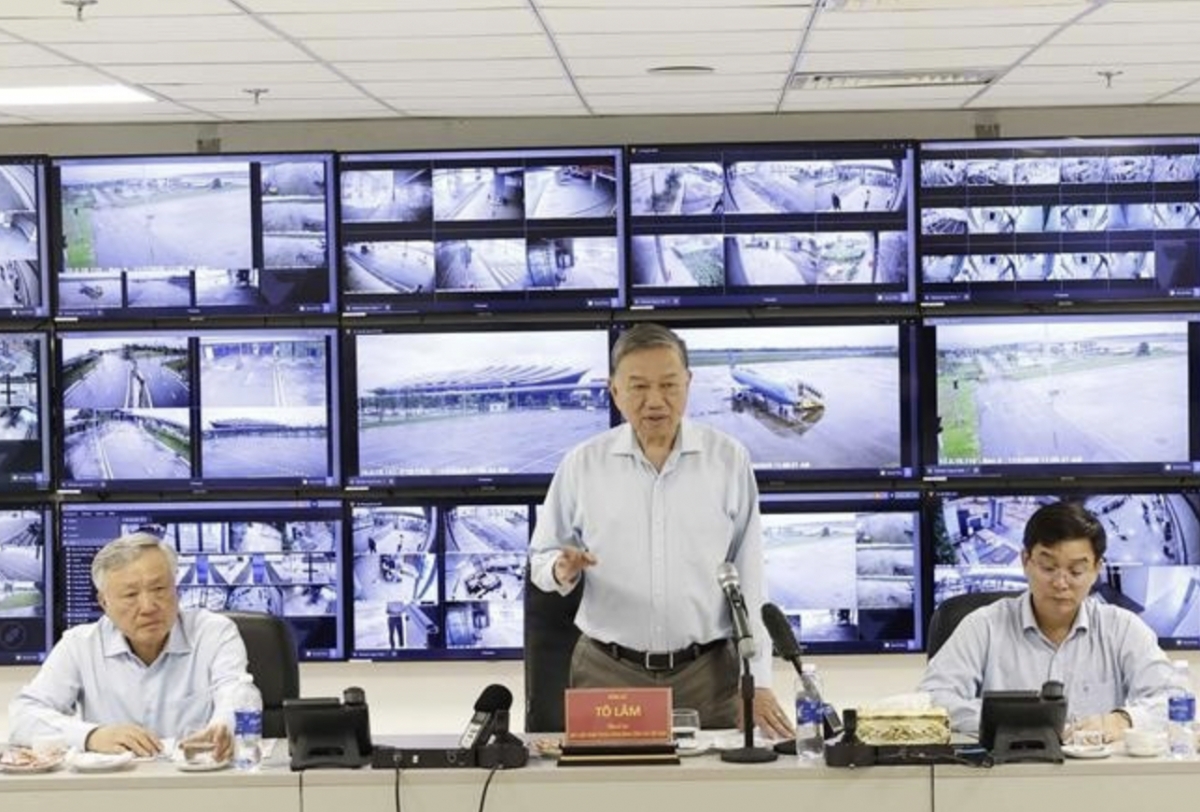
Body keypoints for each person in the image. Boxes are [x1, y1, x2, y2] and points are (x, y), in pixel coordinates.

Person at [529, 323, 793, 738]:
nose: (655, 401)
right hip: (607, 672)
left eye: (669, 384)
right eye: (637, 387)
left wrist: (758, 681)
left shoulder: (728, 460)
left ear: (689, 384)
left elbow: (752, 580)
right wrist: (562, 570)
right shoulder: (582, 465)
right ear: (614, 391)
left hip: (707, 674)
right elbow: (540, 558)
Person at [919, 501, 1173, 742]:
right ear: (1025, 561)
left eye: (1076, 571)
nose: (1061, 583)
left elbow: (1174, 699)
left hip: (1098, 778)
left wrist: (1123, 720)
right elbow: (931, 699)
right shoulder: (983, 626)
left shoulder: (1123, 628)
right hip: (1003, 778)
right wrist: (1015, 722)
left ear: (1096, 569)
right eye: (1048, 567)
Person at [8, 533, 249, 758]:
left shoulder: (213, 632)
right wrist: (92, 736)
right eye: (131, 595)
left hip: (199, 783)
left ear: (176, 589)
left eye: (159, 589)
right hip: (114, 792)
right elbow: (23, 716)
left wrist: (224, 724)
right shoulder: (79, 644)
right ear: (104, 602)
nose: (148, 606)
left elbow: (238, 692)